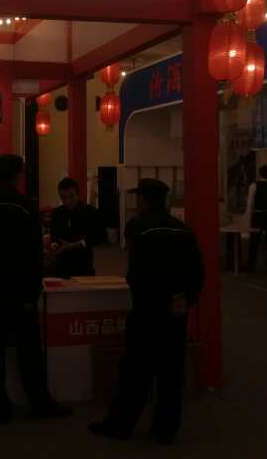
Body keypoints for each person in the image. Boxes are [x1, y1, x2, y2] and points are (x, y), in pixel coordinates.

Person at [90, 178, 204, 445]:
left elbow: (137, 272)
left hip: (146, 310)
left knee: (135, 371)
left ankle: (121, 425)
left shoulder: (138, 227)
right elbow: (197, 270)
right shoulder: (183, 230)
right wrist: (186, 298)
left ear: (143, 199)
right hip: (175, 312)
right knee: (171, 373)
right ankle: (165, 429)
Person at [0, 154, 72, 424]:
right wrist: (32, 291)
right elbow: (33, 255)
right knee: (29, 351)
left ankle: (0, 407)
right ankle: (39, 402)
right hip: (20, 291)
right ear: (18, 175)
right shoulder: (25, 207)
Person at [47, 177, 101, 278]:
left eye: (71, 196)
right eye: (63, 197)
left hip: (83, 264)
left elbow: (97, 236)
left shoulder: (90, 212)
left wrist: (77, 244)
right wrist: (54, 245)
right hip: (62, 265)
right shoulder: (57, 213)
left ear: (77, 194)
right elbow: (54, 234)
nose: (67, 201)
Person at [245, 165, 267, 272]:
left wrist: (248, 218)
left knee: (254, 241)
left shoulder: (254, 185)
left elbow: (250, 204)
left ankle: (251, 265)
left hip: (259, 215)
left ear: (260, 173)